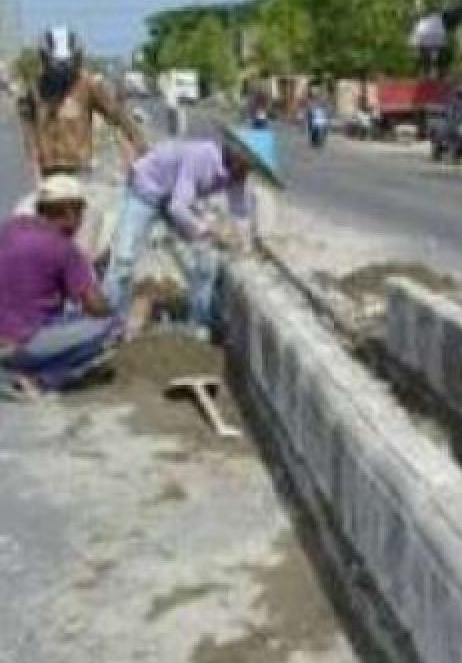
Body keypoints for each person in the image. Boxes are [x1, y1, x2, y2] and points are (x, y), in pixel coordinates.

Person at [101, 124, 284, 335]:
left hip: (174, 196)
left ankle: (198, 323)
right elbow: (178, 208)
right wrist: (206, 229)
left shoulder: (236, 175)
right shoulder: (203, 156)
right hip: (146, 189)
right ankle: (107, 322)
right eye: (247, 165)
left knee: (206, 259)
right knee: (124, 257)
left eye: (251, 168)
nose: (246, 172)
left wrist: (248, 244)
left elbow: (240, 213)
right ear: (236, 152)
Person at [16, 26, 148, 259]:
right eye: (56, 65)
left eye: (66, 65)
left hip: (81, 172)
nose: (62, 72)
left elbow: (119, 117)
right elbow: (28, 129)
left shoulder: (88, 86)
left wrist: (142, 148)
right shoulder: (35, 90)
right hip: (49, 173)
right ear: (45, 60)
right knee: (36, 237)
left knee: (87, 240)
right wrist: (34, 167)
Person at [0, 175, 120, 399]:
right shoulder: (64, 248)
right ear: (69, 212)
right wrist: (115, 314)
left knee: (67, 317)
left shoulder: (9, 229)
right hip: (20, 347)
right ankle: (41, 380)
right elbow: (94, 306)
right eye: (80, 212)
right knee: (111, 327)